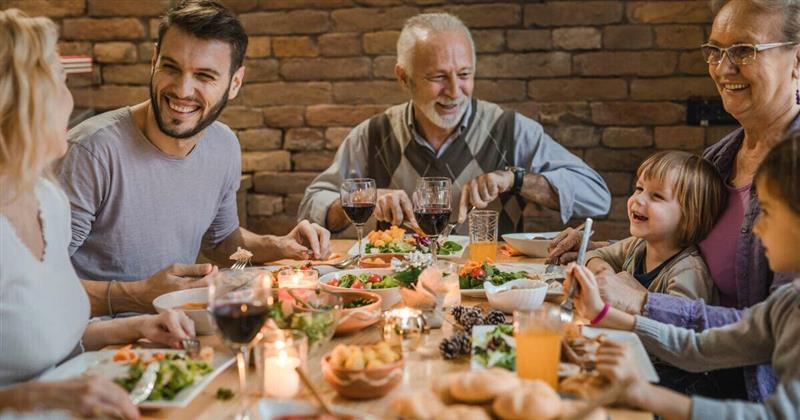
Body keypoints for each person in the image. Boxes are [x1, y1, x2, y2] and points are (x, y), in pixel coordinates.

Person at [546, 0, 799, 401]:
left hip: (736, 394)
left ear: (797, 59)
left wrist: (644, 302)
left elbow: (776, 330)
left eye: (744, 50)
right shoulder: (717, 161)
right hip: (676, 361)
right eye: (714, 50)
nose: (722, 67)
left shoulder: (793, 176)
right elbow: (677, 250)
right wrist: (594, 250)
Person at [58, 0, 331, 316]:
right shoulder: (91, 151)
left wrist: (278, 244)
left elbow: (221, 243)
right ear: (153, 61)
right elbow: (31, 283)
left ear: (235, 84)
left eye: (204, 75)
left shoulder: (224, 145)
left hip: (179, 334)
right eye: (171, 67)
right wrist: (135, 295)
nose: (183, 89)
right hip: (94, 347)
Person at [0, 9, 194, 419]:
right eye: (62, 83)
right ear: (25, 103)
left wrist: (137, 327)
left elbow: (48, 341)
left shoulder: (45, 200)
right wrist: (35, 399)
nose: (72, 102)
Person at [299, 12, 610, 236]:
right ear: (403, 78)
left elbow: (597, 197)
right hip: (396, 291)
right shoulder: (372, 135)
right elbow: (312, 205)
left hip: (489, 289)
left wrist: (514, 181)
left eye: (464, 75)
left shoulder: (509, 129)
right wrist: (363, 198)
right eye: (438, 77)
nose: (454, 91)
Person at [567, 133, 800, 419]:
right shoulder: (788, 302)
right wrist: (601, 312)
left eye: (768, 213)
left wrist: (644, 394)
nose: (756, 229)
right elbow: (696, 346)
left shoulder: (691, 270)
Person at [584, 151, 725, 301]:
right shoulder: (637, 245)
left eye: (657, 196)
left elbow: (682, 320)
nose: (638, 199)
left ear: (688, 218)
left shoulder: (688, 271)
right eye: (639, 189)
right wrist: (606, 274)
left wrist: (635, 295)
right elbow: (593, 255)